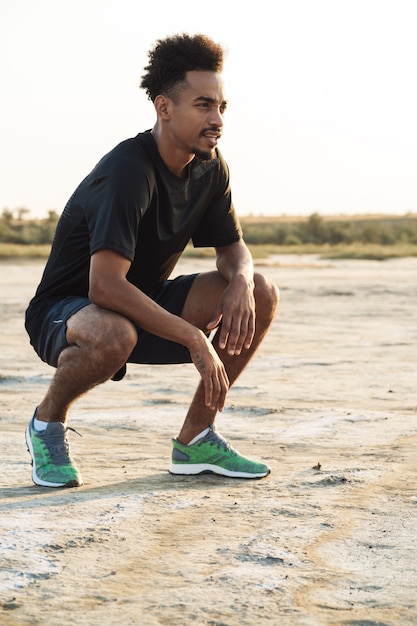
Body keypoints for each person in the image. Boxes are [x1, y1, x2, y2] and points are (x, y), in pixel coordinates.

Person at [24, 33, 279, 488]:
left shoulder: (210, 166)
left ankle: (196, 438)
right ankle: (47, 425)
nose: (217, 119)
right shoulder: (128, 170)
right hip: (68, 312)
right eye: (203, 106)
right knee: (112, 329)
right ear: (164, 107)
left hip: (142, 303)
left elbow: (232, 247)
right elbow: (103, 287)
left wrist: (240, 278)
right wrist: (195, 341)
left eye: (222, 106)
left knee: (260, 288)